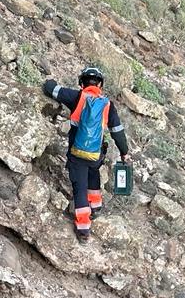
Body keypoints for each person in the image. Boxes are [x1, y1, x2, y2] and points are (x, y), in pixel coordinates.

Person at [41, 66, 132, 243]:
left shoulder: (76, 97)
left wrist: (49, 79)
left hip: (77, 153)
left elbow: (50, 88)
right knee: (93, 174)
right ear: (100, 84)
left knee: (79, 187)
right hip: (95, 154)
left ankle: (83, 230)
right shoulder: (108, 105)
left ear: (82, 82)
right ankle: (95, 207)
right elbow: (117, 132)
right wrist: (124, 153)